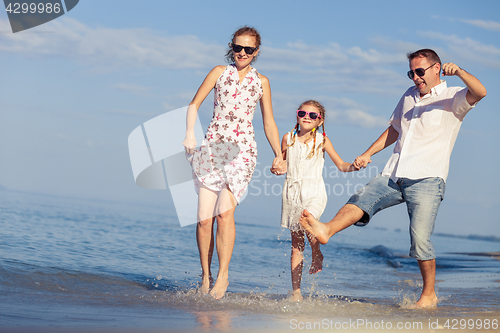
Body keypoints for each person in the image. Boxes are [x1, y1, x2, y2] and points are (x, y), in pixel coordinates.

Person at [300, 49, 487, 308]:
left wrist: (461, 73)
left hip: (427, 178)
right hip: (394, 172)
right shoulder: (408, 96)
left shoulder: (452, 96)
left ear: (437, 68)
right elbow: (394, 130)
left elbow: (480, 92)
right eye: (411, 73)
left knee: (419, 238)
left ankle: (429, 294)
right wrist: (367, 153)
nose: (415, 78)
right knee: (363, 197)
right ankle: (327, 229)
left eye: (420, 72)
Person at [183, 26, 284, 300]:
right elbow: (193, 105)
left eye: (248, 49)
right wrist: (190, 132)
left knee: (224, 214)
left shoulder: (261, 82)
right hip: (212, 148)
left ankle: (224, 275)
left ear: (256, 52)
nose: (242, 53)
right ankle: (205, 275)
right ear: (231, 47)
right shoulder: (219, 72)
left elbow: (269, 122)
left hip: (242, 152)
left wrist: (279, 154)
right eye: (238, 48)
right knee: (204, 219)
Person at [280, 100, 357, 301]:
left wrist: (354, 166)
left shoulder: (322, 140)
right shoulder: (287, 138)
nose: (307, 117)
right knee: (296, 243)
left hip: (314, 192)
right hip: (292, 194)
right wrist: (276, 168)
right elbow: (281, 165)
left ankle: (316, 251)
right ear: (297, 115)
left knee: (308, 219)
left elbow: (341, 165)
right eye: (303, 112)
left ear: (319, 120)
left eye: (313, 115)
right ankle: (296, 291)